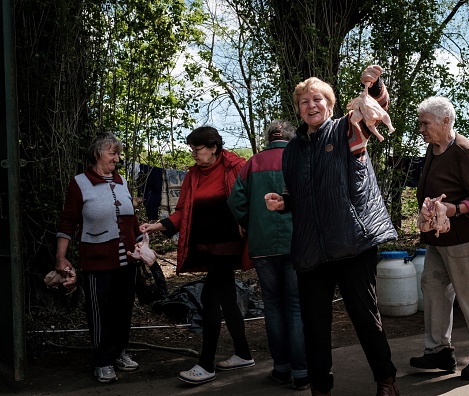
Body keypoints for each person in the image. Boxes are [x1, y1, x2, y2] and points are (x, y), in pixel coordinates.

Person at [264, 65, 400, 396]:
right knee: (314, 326)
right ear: (298, 109)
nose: (311, 105)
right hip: (312, 248)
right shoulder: (293, 149)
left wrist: (374, 86)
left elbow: (373, 110)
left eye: (318, 99)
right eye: (304, 101)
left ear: (330, 103)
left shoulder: (346, 129)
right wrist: (284, 203)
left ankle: (386, 382)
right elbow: (301, 193)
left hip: (352, 240)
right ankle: (321, 389)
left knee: (365, 317)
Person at [140, 126, 254, 386]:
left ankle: (206, 365)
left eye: (197, 149)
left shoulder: (235, 167)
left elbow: (250, 200)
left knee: (209, 297)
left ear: (213, 147)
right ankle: (243, 354)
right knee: (226, 297)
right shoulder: (192, 175)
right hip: (205, 247)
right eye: (191, 149)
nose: (193, 154)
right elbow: (182, 211)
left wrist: (246, 222)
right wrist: (157, 226)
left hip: (227, 246)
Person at [410, 96, 469, 380]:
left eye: (425, 123)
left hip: (467, 237)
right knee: (433, 289)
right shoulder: (433, 148)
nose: (420, 129)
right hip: (439, 238)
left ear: (446, 121)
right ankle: (438, 351)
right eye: (420, 123)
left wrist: (455, 208)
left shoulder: (463, 149)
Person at [227, 120, 309, 390]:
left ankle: (281, 368)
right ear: (290, 136)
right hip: (296, 241)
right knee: (296, 305)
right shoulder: (299, 157)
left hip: (262, 245)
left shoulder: (252, 163)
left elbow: (235, 200)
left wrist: (249, 222)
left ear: (268, 137)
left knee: (273, 305)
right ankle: (301, 372)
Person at [55, 133, 142, 383]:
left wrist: (142, 246)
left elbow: (132, 222)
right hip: (96, 261)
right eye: (112, 153)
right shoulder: (80, 183)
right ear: (97, 154)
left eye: (118, 153)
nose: (117, 158)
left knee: (123, 309)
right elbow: (68, 222)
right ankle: (102, 360)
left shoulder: (122, 181)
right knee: (99, 310)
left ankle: (119, 352)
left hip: (128, 260)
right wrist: (61, 257)